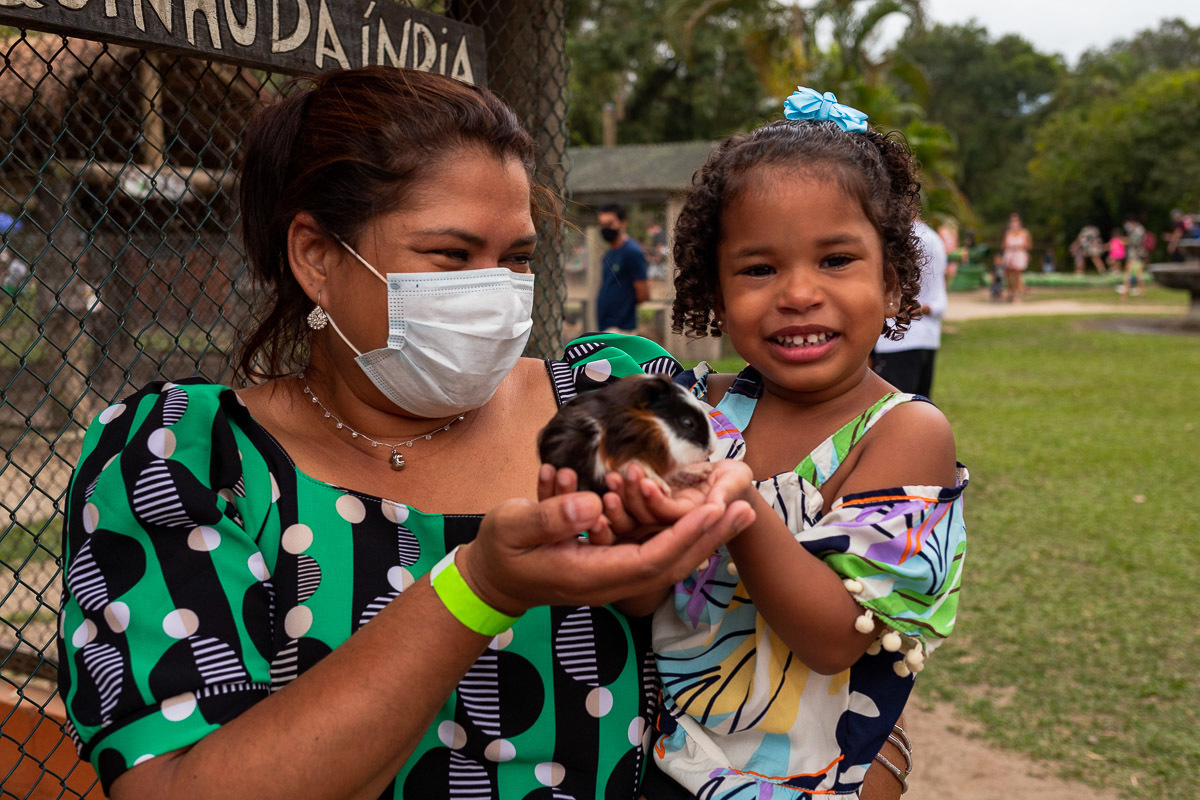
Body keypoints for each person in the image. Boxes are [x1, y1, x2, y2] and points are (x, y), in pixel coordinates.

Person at [54, 67, 758, 800]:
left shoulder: (611, 407)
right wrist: (476, 589)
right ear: (317, 257)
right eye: (451, 257)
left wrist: (706, 531)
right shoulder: (191, 461)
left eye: (517, 258)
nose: (495, 293)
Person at [641, 88, 969, 799]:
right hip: (653, 757)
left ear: (892, 283)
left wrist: (738, 506)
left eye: (836, 260)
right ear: (716, 294)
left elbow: (832, 639)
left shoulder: (903, 432)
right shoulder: (702, 405)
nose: (797, 293)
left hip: (806, 779)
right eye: (759, 269)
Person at [872, 219, 948, 398]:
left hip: (896, 338)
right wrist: (927, 308)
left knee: (893, 413)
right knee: (917, 408)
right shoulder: (934, 238)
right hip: (927, 338)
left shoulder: (892, 236)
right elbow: (940, 294)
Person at [596, 203, 650, 334]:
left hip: (622, 327)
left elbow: (643, 293)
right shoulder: (609, 253)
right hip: (606, 325)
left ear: (623, 223)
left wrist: (622, 307)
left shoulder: (632, 252)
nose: (605, 229)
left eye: (610, 224)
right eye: (602, 225)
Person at [1000, 211, 1031, 301]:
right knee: (1008, 274)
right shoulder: (1008, 233)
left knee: (1017, 274)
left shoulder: (1025, 233)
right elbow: (1003, 245)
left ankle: (1015, 293)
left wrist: (1019, 247)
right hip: (1009, 255)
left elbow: (1028, 246)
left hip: (1019, 255)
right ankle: (1010, 291)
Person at [1120, 217, 1148, 299]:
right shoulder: (1140, 229)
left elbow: (1135, 242)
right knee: (1138, 273)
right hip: (1138, 254)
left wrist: (1126, 242)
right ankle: (1141, 292)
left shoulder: (1137, 230)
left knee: (1128, 273)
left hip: (1134, 255)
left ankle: (1124, 293)